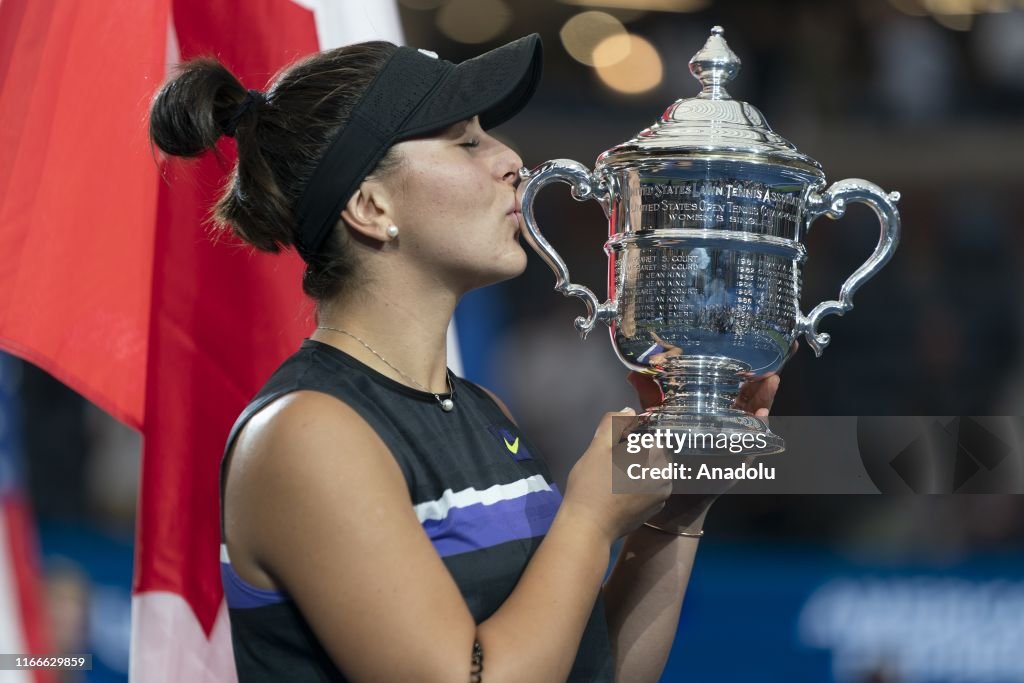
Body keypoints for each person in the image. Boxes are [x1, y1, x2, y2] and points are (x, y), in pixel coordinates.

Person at [148, 34, 780, 683]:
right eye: (465, 140)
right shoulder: (306, 435)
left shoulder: (483, 410)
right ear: (370, 206)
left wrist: (671, 520)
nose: (511, 160)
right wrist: (589, 521)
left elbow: (583, 671)